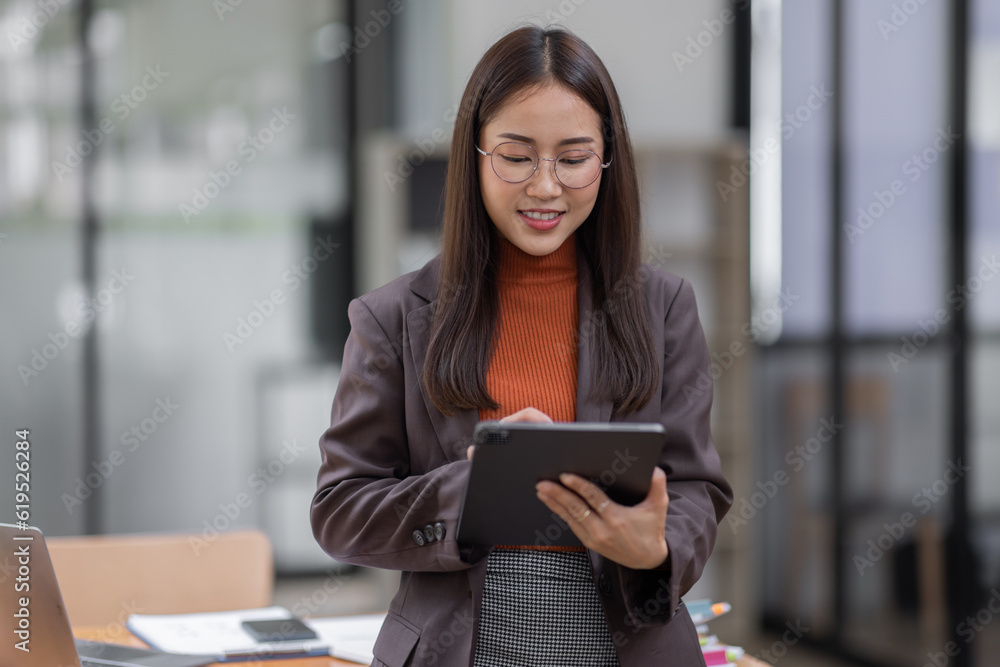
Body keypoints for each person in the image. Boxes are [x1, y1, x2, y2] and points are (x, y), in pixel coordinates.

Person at [311, 24, 733, 667]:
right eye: (515, 156)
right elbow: (340, 510)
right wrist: (469, 489)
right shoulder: (393, 317)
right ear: (474, 155)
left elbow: (697, 487)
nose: (545, 186)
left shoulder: (663, 307)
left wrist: (655, 549)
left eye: (572, 157)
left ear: (607, 158)